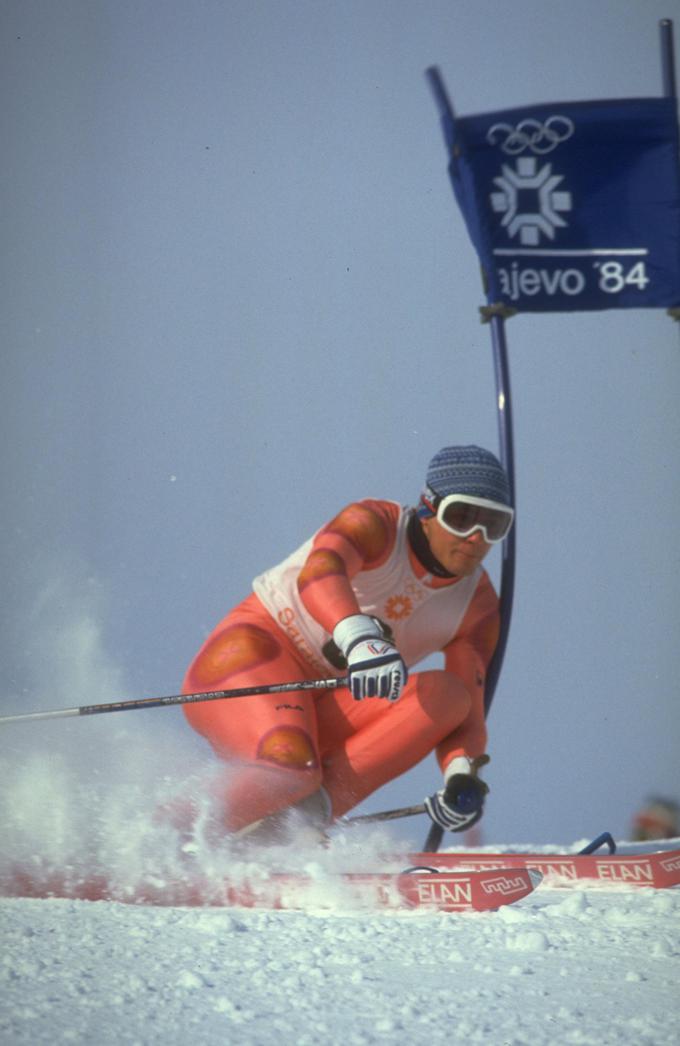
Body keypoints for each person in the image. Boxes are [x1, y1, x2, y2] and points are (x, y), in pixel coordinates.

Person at [181, 444, 514, 844]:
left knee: (448, 696)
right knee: (291, 766)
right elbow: (319, 573)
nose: (475, 538)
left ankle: (285, 832)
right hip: (249, 659)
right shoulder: (375, 523)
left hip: (321, 705)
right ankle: (155, 838)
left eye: (493, 525)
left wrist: (462, 777)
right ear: (428, 510)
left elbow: (469, 715)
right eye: (461, 518)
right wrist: (358, 637)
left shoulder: (476, 604)